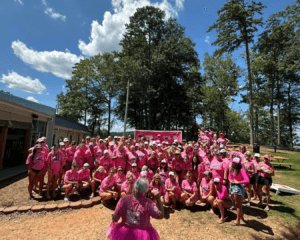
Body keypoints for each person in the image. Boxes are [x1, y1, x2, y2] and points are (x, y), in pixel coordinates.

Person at [229, 158, 250, 225]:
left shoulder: (241, 170)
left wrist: (238, 182)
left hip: (237, 187)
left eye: (236, 163)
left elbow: (247, 180)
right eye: (233, 162)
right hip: (232, 186)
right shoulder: (232, 169)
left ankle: (238, 220)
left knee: (237, 204)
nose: (234, 164)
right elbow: (229, 176)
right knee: (235, 204)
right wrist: (230, 180)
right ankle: (241, 216)